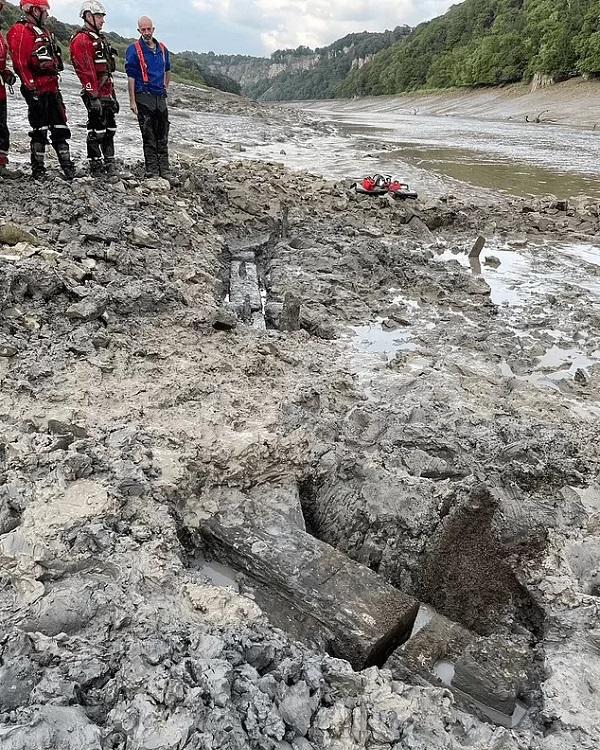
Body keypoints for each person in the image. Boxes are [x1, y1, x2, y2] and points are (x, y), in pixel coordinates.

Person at [7, 0, 75, 179]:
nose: (47, 14)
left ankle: (68, 168)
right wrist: (30, 87)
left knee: (60, 125)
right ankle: (38, 170)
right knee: (40, 128)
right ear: (35, 10)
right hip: (36, 88)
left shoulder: (44, 32)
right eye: (44, 10)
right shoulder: (20, 31)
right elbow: (20, 63)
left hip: (52, 86)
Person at [70, 1, 118, 177]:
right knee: (96, 129)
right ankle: (96, 166)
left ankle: (110, 163)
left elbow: (107, 71)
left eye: (102, 17)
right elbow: (85, 70)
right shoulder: (82, 40)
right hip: (95, 93)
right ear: (88, 17)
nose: (102, 21)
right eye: (99, 17)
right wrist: (93, 95)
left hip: (106, 92)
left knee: (110, 128)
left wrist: (113, 96)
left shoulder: (101, 39)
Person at [125, 16, 172, 179]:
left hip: (160, 97)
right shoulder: (133, 49)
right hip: (143, 97)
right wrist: (132, 101)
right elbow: (130, 77)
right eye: (143, 29)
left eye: (148, 29)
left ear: (153, 29)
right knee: (149, 136)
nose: (146, 32)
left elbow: (168, 70)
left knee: (163, 135)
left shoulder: (163, 49)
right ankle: (152, 171)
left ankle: (165, 171)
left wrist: (166, 86)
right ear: (139, 30)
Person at [0, 1, 17, 175]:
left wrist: (6, 72)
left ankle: (1, 163)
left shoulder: (0, 37)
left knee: (2, 127)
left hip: (0, 92)